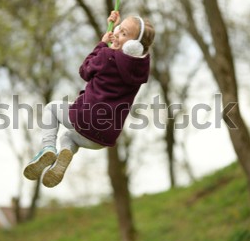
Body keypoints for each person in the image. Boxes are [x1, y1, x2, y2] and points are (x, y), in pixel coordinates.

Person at [23, 10, 155, 188]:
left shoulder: (106, 56)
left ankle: (47, 148)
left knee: (52, 109)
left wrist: (102, 44)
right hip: (104, 137)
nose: (116, 34)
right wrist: (113, 30)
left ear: (133, 46)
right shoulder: (140, 71)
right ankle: (64, 154)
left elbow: (84, 70)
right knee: (68, 137)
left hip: (85, 119)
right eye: (118, 29)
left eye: (123, 33)